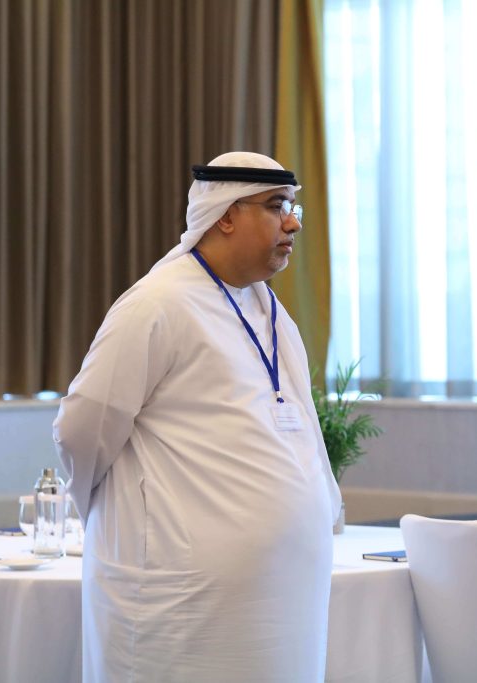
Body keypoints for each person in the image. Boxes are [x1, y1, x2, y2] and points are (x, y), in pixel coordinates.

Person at [53, 151, 341, 682]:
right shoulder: (158, 303)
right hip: (180, 602)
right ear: (226, 215)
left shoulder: (269, 310)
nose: (293, 223)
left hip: (280, 603)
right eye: (277, 206)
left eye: (293, 207)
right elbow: (81, 428)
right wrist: (115, 516)